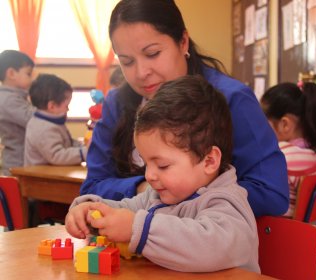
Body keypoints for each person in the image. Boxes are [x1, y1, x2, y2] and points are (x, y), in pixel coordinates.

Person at [80, 0, 289, 217]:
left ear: (183, 42)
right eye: (127, 61)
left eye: (152, 54)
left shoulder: (231, 99)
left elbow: (272, 194)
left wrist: (184, 199)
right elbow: (92, 187)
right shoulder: (117, 103)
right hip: (128, 246)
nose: (141, 72)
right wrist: (148, 188)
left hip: (211, 244)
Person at [66, 75, 260, 273]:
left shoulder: (227, 203)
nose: (149, 176)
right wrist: (93, 211)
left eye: (162, 165)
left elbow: (211, 247)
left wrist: (136, 229)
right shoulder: (158, 196)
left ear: (209, 161)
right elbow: (125, 210)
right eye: (145, 163)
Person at [260, 82, 316, 217]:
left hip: (279, 230)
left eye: (263, 122)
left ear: (285, 124)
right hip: (303, 230)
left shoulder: (280, 157)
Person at [24, 74, 87, 166]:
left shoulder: (52, 121)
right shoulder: (42, 128)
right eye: (66, 106)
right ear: (52, 106)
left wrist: (82, 146)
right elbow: (57, 156)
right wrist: (84, 153)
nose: (68, 109)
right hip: (41, 178)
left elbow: (67, 143)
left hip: (54, 173)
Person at [0, 50, 35, 175]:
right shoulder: (8, 100)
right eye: (28, 74)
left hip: (21, 161)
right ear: (11, 73)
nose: (32, 79)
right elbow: (33, 120)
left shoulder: (17, 97)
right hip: (17, 163)